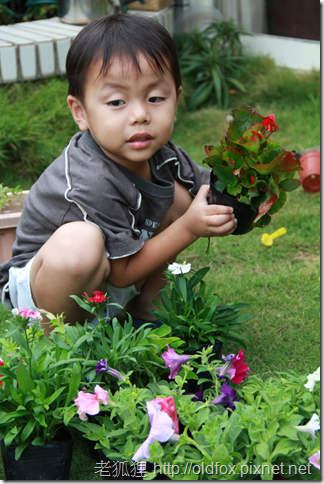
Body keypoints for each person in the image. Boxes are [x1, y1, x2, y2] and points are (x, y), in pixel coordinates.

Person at [0, 14, 237, 336]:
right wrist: (190, 227)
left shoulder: (164, 156)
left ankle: (144, 308)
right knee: (80, 243)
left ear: (176, 100)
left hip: (106, 277)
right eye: (116, 102)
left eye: (155, 98)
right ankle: (57, 341)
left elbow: (208, 191)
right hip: (45, 290)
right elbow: (123, 273)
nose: (140, 115)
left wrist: (249, 185)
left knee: (183, 196)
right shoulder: (87, 178)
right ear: (80, 112)